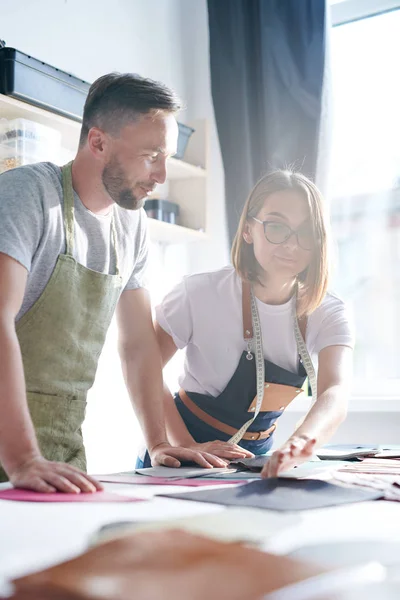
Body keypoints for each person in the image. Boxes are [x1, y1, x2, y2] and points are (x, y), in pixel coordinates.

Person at [0, 72, 227, 493]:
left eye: (167, 157)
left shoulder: (131, 224)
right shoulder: (27, 195)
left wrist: (161, 442)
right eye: (151, 155)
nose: (161, 175)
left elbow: (139, 345)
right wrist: (22, 458)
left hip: (59, 453)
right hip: (17, 453)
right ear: (99, 142)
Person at [141, 170, 354, 476]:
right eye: (277, 227)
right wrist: (184, 443)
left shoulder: (329, 310)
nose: (292, 245)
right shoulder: (199, 293)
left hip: (256, 458)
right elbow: (143, 368)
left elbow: (335, 391)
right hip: (180, 454)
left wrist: (301, 442)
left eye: (306, 232)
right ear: (248, 230)